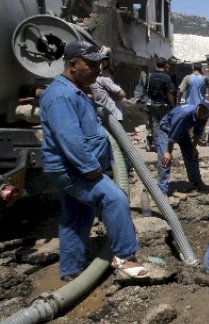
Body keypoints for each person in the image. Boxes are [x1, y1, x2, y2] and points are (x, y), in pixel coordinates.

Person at [40, 40, 148, 281]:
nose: (98, 69)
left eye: (99, 64)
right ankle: (125, 256)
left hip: (74, 166)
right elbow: (69, 137)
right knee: (114, 198)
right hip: (73, 168)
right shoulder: (61, 95)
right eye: (91, 64)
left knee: (76, 217)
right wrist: (90, 168)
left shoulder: (74, 90)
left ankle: (70, 270)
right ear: (72, 65)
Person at [156, 98, 209, 195]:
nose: (202, 113)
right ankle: (162, 191)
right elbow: (172, 135)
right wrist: (168, 152)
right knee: (165, 159)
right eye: (201, 110)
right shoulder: (183, 114)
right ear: (198, 106)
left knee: (192, 154)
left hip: (183, 130)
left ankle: (196, 182)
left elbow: (197, 133)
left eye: (205, 112)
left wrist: (194, 147)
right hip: (167, 129)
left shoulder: (204, 117)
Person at [145, 58, 177, 152]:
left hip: (152, 105)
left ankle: (157, 145)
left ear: (156, 65)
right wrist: (174, 106)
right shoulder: (167, 77)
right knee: (165, 125)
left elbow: (146, 90)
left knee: (155, 125)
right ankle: (164, 145)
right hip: (164, 105)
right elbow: (170, 94)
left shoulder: (150, 76)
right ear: (165, 65)